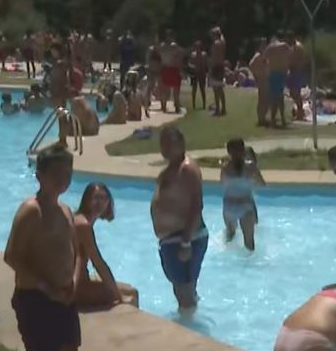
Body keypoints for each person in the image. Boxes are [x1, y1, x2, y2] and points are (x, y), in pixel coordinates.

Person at [3, 144, 80, 351]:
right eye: (57, 172)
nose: (64, 178)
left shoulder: (65, 211)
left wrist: (73, 281)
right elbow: (12, 256)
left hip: (63, 296)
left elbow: (74, 251)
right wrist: (47, 287)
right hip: (35, 297)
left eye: (68, 172)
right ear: (40, 175)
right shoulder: (31, 211)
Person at [151, 126, 207, 310]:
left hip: (185, 238)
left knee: (185, 293)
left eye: (170, 145)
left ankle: (190, 331)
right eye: (163, 145)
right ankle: (188, 322)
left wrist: (186, 242)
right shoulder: (169, 170)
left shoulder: (187, 169)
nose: (166, 149)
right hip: (171, 239)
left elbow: (196, 205)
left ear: (181, 144)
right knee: (181, 291)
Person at [72, 183, 139, 310]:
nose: (100, 203)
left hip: (79, 282)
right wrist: (119, 297)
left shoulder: (82, 220)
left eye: (103, 198)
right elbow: (98, 263)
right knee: (126, 296)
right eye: (95, 198)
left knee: (132, 291)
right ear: (86, 200)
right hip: (73, 287)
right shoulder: (83, 225)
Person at [220, 139, 266, 251]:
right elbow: (262, 184)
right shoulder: (251, 167)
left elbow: (223, 184)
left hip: (229, 206)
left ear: (228, 152)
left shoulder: (225, 168)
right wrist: (250, 185)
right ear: (243, 150)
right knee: (249, 243)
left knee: (229, 237)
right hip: (245, 205)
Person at [264, 32, 291, 128]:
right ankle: (282, 118)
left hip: (273, 73)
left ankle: (273, 119)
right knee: (280, 97)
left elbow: (264, 59)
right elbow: (290, 56)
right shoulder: (284, 46)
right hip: (282, 73)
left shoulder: (270, 47)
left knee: (273, 97)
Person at [158, 31, 185, 113]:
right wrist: (181, 70)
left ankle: (164, 107)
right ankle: (176, 107)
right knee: (175, 90)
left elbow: (160, 58)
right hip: (173, 69)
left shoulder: (162, 46)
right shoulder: (175, 47)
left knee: (165, 89)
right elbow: (179, 59)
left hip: (165, 68)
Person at [287, 33, 308, 120]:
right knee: (293, 93)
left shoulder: (297, 47)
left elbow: (293, 59)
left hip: (297, 72)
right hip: (295, 72)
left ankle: (301, 113)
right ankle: (300, 112)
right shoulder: (294, 47)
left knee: (296, 93)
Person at [208, 27, 227, 117]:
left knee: (216, 89)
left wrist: (210, 68)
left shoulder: (215, 44)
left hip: (215, 67)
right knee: (220, 89)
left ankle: (217, 109)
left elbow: (213, 57)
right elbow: (222, 36)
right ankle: (223, 108)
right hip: (221, 66)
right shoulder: (223, 42)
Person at [188, 39, 208, 111]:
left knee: (202, 89)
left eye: (199, 46)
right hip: (194, 73)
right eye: (196, 46)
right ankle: (193, 105)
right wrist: (192, 66)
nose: (197, 47)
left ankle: (204, 105)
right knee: (194, 90)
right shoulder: (192, 54)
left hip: (202, 74)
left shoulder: (204, 54)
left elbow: (206, 64)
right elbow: (189, 63)